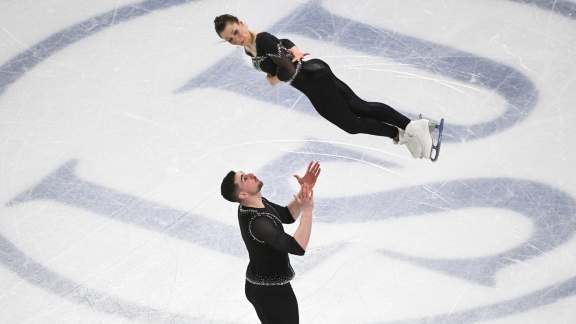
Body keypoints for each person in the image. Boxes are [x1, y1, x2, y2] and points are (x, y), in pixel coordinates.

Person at [214, 14, 434, 159]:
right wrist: (295, 50)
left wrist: (273, 79)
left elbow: (287, 70)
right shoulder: (250, 47)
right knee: (359, 107)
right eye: (229, 39)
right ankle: (410, 128)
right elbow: (283, 41)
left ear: (241, 23)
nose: (236, 38)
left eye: (234, 31)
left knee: (352, 123)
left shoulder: (260, 40)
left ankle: (407, 131)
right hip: (314, 74)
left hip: (312, 80)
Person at [220, 161, 320, 323]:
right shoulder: (259, 223)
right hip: (271, 294)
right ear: (243, 195)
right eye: (245, 179)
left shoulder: (256, 203)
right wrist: (307, 212)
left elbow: (286, 215)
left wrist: (305, 189)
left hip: (262, 287)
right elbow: (297, 247)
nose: (251, 174)